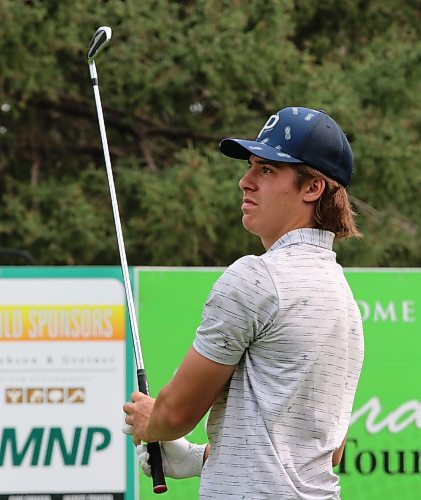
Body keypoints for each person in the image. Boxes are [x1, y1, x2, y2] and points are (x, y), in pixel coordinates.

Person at [123, 106, 365, 499]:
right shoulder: (343, 297)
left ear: (312, 188)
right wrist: (198, 458)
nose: (245, 181)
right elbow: (326, 451)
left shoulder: (255, 276)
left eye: (267, 170)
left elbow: (176, 414)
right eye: (251, 166)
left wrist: (152, 422)